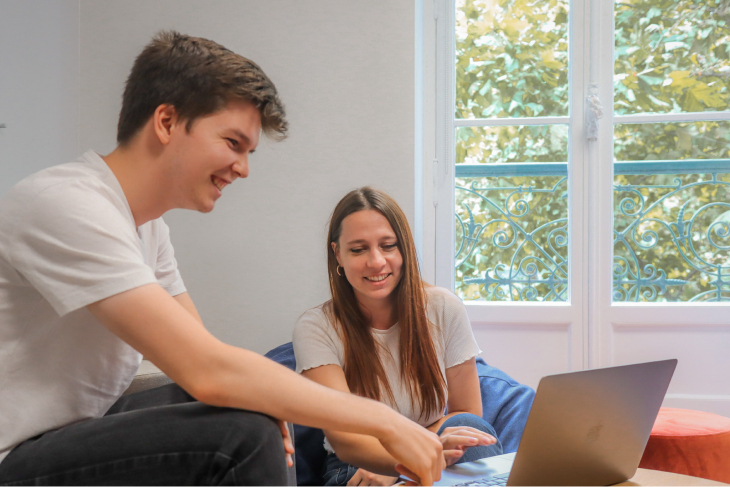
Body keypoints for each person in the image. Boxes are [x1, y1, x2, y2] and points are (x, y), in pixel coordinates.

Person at [0, 32, 450, 487]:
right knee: (245, 432)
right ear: (167, 121)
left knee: (252, 402)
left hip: (73, 430)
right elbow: (208, 370)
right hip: (13, 454)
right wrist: (385, 421)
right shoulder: (66, 205)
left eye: (248, 152)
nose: (243, 168)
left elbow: (205, 355)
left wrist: (258, 398)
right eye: (233, 143)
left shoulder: (148, 227)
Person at [293, 188, 504, 487]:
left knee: (471, 429)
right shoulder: (316, 327)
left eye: (388, 245)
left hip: (433, 448)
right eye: (358, 249)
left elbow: (467, 411)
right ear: (337, 254)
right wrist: (399, 464)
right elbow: (345, 439)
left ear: (403, 249)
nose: (376, 262)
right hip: (357, 466)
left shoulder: (444, 308)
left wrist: (409, 461)